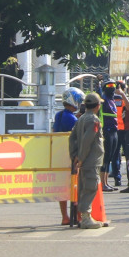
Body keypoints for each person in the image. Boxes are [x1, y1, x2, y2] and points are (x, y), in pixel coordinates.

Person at [69, 92, 107, 229]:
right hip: (90, 159)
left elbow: (72, 138)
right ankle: (85, 217)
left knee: (84, 187)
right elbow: (87, 140)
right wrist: (80, 157)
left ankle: (84, 216)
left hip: (85, 159)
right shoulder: (93, 120)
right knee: (90, 187)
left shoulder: (81, 118)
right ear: (97, 106)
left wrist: (74, 155)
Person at [54, 88, 82, 225]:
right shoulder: (71, 118)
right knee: (75, 186)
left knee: (62, 188)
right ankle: (77, 215)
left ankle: (65, 216)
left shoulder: (59, 115)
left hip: (59, 154)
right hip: (70, 154)